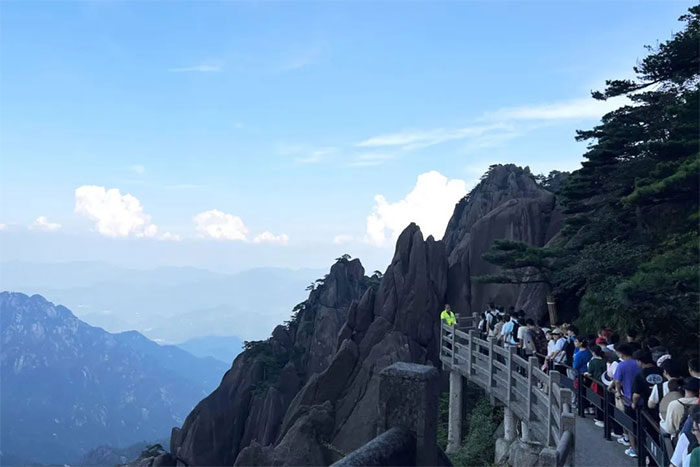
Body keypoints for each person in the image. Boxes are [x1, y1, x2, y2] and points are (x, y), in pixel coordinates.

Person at [612, 343, 642, 457]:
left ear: (621, 353)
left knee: (630, 426)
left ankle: (634, 449)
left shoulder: (622, 365)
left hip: (628, 399)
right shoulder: (638, 363)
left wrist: (618, 391)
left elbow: (617, 381)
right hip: (642, 398)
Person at [631, 349, 664, 414]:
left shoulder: (640, 376)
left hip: (648, 406)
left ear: (640, 361)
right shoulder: (662, 371)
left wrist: (634, 404)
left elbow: (636, 395)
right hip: (664, 404)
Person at [586, 344, 607, 426]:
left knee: (597, 400)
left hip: (596, 383)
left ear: (593, 352)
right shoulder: (604, 361)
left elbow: (590, 373)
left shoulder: (593, 362)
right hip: (604, 383)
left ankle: (600, 418)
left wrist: (586, 374)